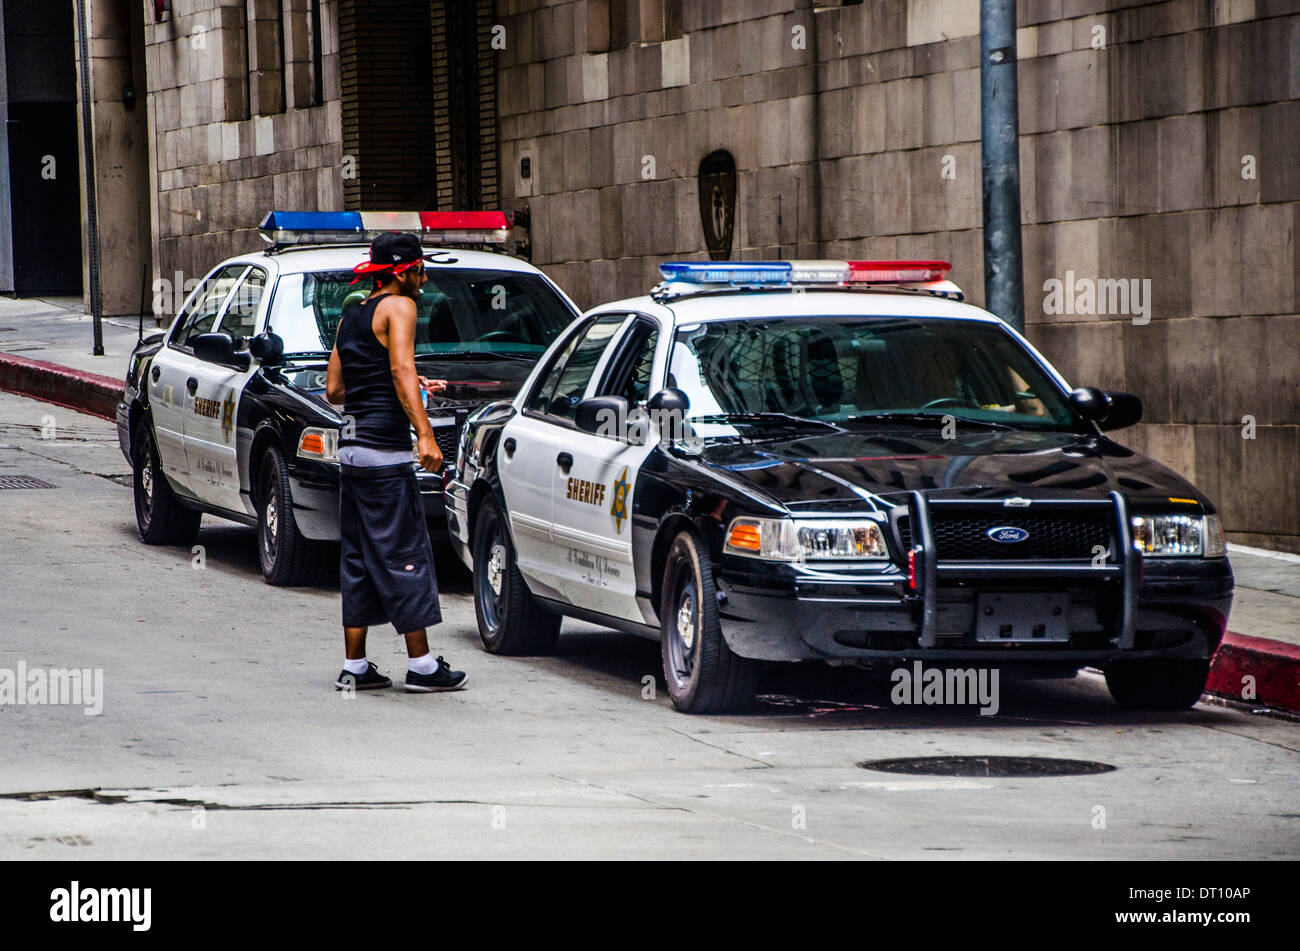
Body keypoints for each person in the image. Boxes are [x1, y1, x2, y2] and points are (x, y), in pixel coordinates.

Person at [325, 231, 468, 694]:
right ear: (402, 272)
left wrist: (403, 384)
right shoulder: (399, 307)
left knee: (359, 556)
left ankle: (356, 666)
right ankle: (423, 667)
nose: (424, 281)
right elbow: (399, 370)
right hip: (386, 452)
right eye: (421, 271)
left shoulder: (352, 316)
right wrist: (425, 435)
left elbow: (336, 391)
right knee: (405, 553)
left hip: (352, 452)